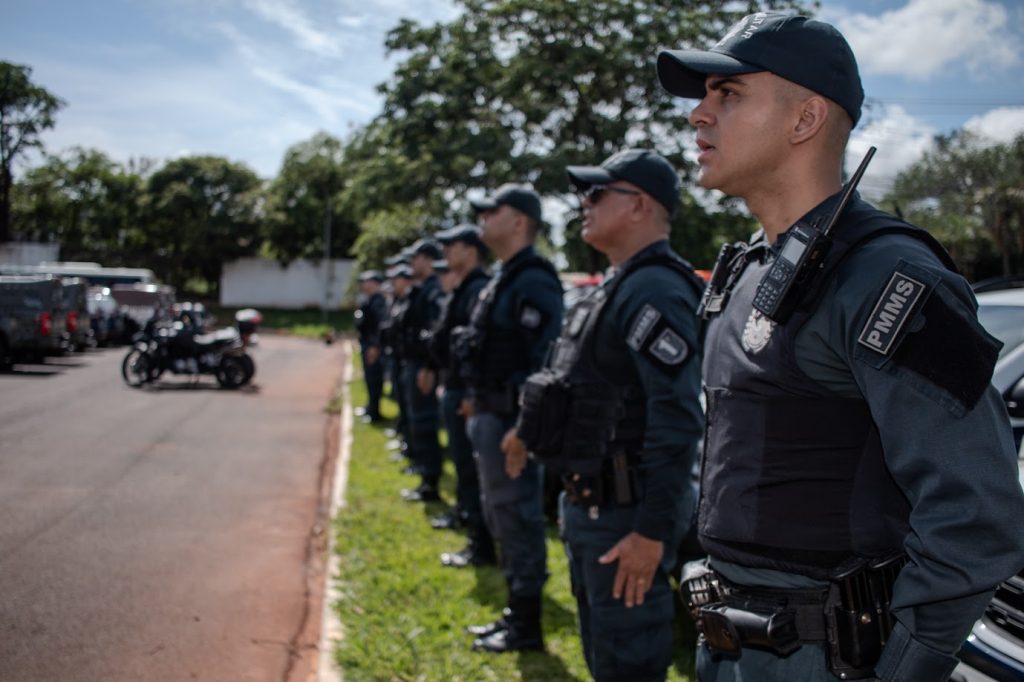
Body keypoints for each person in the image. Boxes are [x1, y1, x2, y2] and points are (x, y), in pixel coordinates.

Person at [656, 12, 1024, 682]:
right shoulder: (751, 271)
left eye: (728, 94)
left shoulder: (885, 276)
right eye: (704, 96)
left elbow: (977, 515)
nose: (698, 116)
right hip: (730, 645)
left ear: (805, 120)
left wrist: (906, 669)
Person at [507, 149, 705, 681]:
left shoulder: (656, 288)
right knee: (604, 657)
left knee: (628, 663)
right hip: (592, 510)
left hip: (627, 520)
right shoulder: (620, 284)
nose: (582, 205)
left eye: (596, 194)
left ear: (639, 205)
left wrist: (651, 532)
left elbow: (678, 420)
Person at [457, 184, 564, 653]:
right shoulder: (505, 276)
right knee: (501, 517)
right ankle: (514, 614)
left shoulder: (534, 279)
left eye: (491, 211)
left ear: (519, 221)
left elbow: (546, 363)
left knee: (518, 521)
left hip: (510, 425)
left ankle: (526, 627)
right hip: (490, 416)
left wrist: (525, 428)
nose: (482, 218)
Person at [427, 224, 497, 567]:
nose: (445, 253)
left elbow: (479, 350)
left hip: (468, 394)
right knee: (466, 469)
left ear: (470, 250)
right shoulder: (465, 288)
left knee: (472, 472)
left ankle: (481, 545)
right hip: (457, 388)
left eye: (451, 246)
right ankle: (473, 533)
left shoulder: (478, 289)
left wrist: (470, 392)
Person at [398, 239, 446, 503]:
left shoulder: (432, 291)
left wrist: (429, 366)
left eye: (416, 258)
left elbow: (434, 332)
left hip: (423, 367)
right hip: (415, 364)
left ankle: (430, 482)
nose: (411, 263)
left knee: (425, 421)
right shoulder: (423, 289)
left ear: (428, 260)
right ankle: (425, 475)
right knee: (419, 420)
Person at [354, 270, 388, 423]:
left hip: (372, 346)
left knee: (374, 379)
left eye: (366, 281)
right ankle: (371, 408)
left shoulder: (378, 301)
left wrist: (374, 346)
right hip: (367, 343)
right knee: (369, 378)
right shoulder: (371, 299)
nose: (363, 284)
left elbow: (378, 326)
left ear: (374, 283)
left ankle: (374, 413)